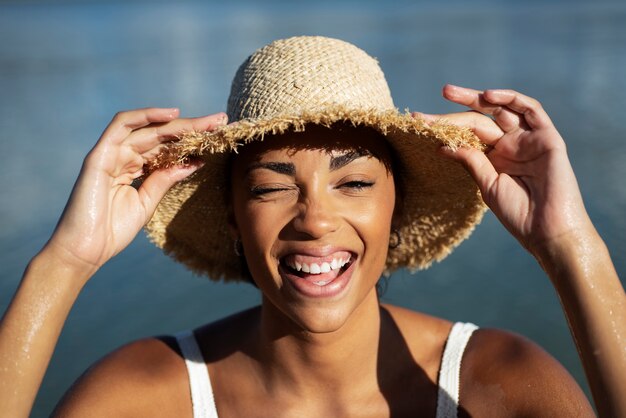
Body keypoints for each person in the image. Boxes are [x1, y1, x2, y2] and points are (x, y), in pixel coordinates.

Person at [0, 36, 624, 418]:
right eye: (272, 188)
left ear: (396, 208)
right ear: (233, 218)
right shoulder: (148, 393)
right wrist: (64, 264)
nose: (316, 219)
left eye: (354, 183)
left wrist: (570, 248)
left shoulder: (496, 380)